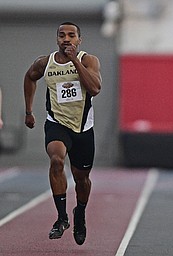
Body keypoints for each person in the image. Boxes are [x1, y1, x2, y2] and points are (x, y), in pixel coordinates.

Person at [24, 22, 102, 245]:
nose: (66, 39)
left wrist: (75, 60)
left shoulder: (88, 60)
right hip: (57, 123)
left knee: (82, 179)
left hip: (83, 128)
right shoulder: (45, 63)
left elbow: (95, 88)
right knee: (56, 160)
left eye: (71, 35)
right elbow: (30, 77)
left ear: (79, 40)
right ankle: (61, 218)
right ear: (56, 38)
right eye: (62, 35)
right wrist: (29, 111)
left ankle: (80, 213)